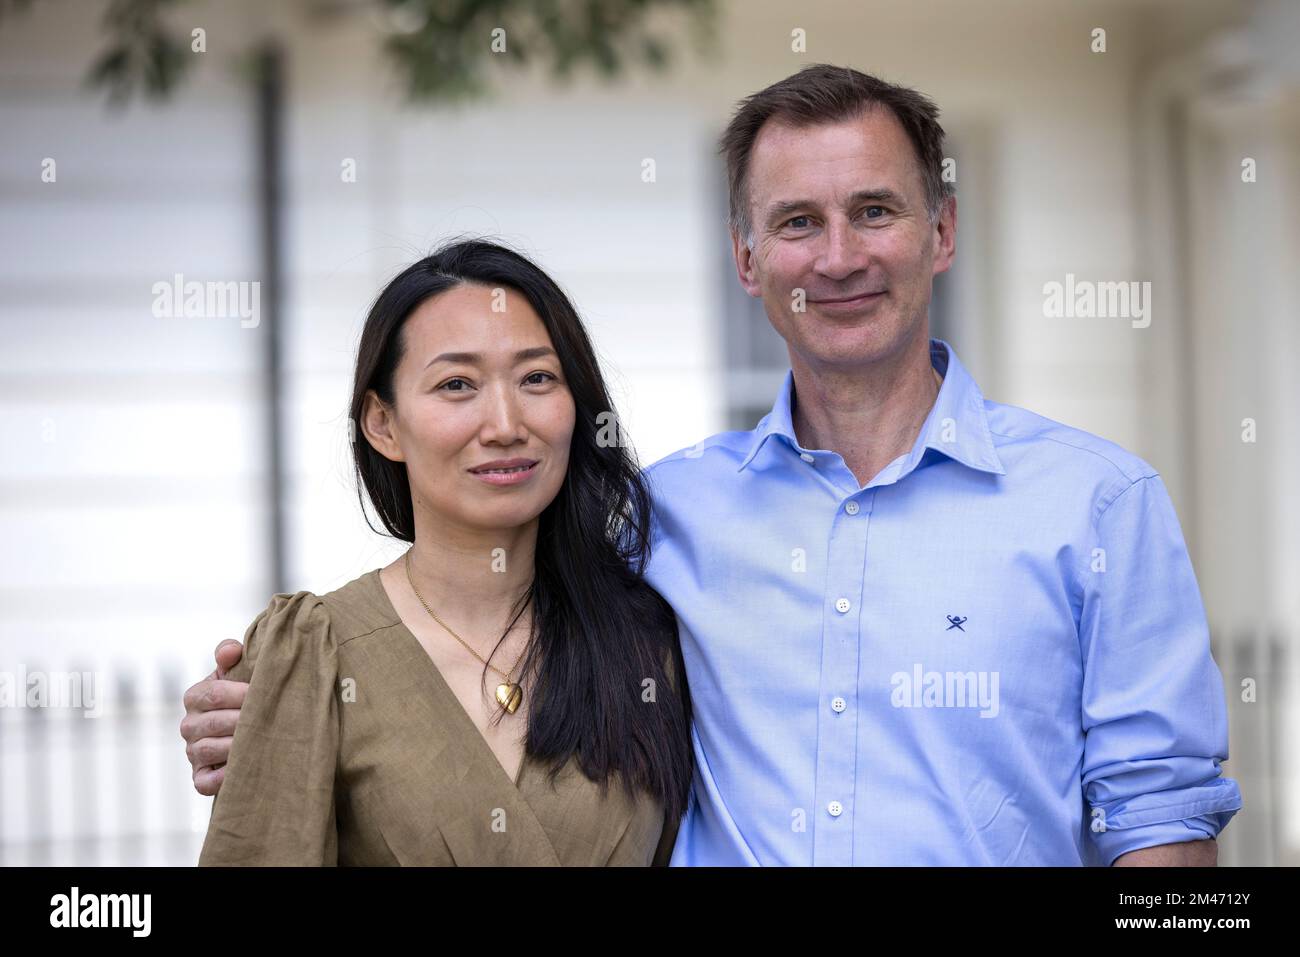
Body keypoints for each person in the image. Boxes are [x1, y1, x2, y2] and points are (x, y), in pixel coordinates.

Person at [186, 64, 1242, 866]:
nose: (836, 256)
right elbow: (466, 618)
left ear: (942, 232)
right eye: (795, 223)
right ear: (745, 258)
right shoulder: (663, 517)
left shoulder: (1096, 505)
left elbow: (1159, 813)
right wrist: (280, 707)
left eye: (873, 210)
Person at [195, 239, 693, 865]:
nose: (507, 424)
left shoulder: (651, 641)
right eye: (457, 384)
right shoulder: (312, 653)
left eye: (537, 378)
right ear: (383, 424)